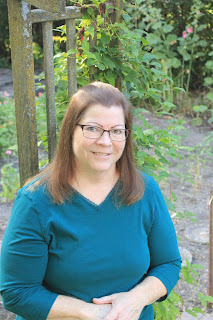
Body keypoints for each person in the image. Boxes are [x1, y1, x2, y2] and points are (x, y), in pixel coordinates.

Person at [0, 81, 181, 320]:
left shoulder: (145, 190)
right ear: (70, 131)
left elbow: (168, 263)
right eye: (93, 128)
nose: (106, 141)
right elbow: (17, 292)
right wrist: (94, 313)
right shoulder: (36, 201)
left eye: (117, 131)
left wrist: (134, 300)